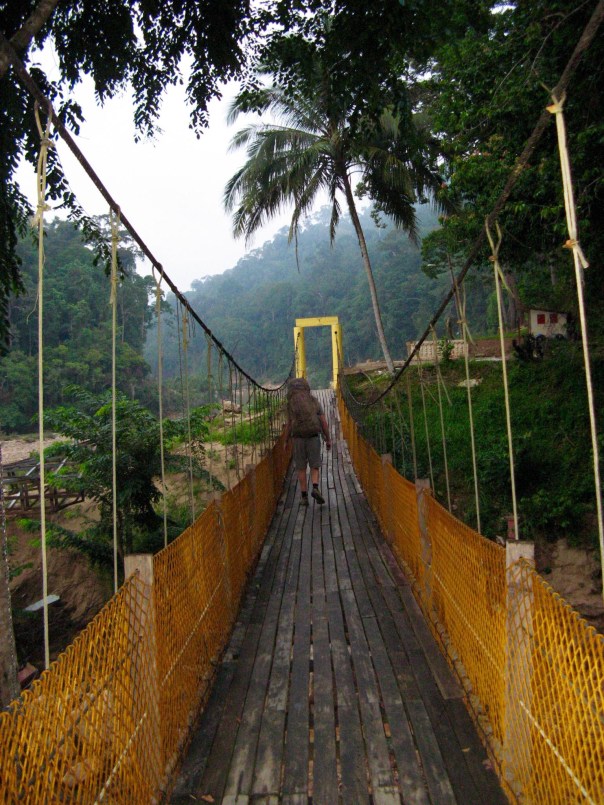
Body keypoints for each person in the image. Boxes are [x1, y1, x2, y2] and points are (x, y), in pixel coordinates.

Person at [284, 377, 331, 506]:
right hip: (313, 436)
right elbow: (323, 422)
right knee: (314, 465)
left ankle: (304, 497)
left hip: (298, 438)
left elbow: (289, 424)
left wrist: (286, 440)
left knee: (301, 467)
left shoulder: (290, 404)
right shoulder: (313, 401)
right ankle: (315, 487)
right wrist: (328, 439)